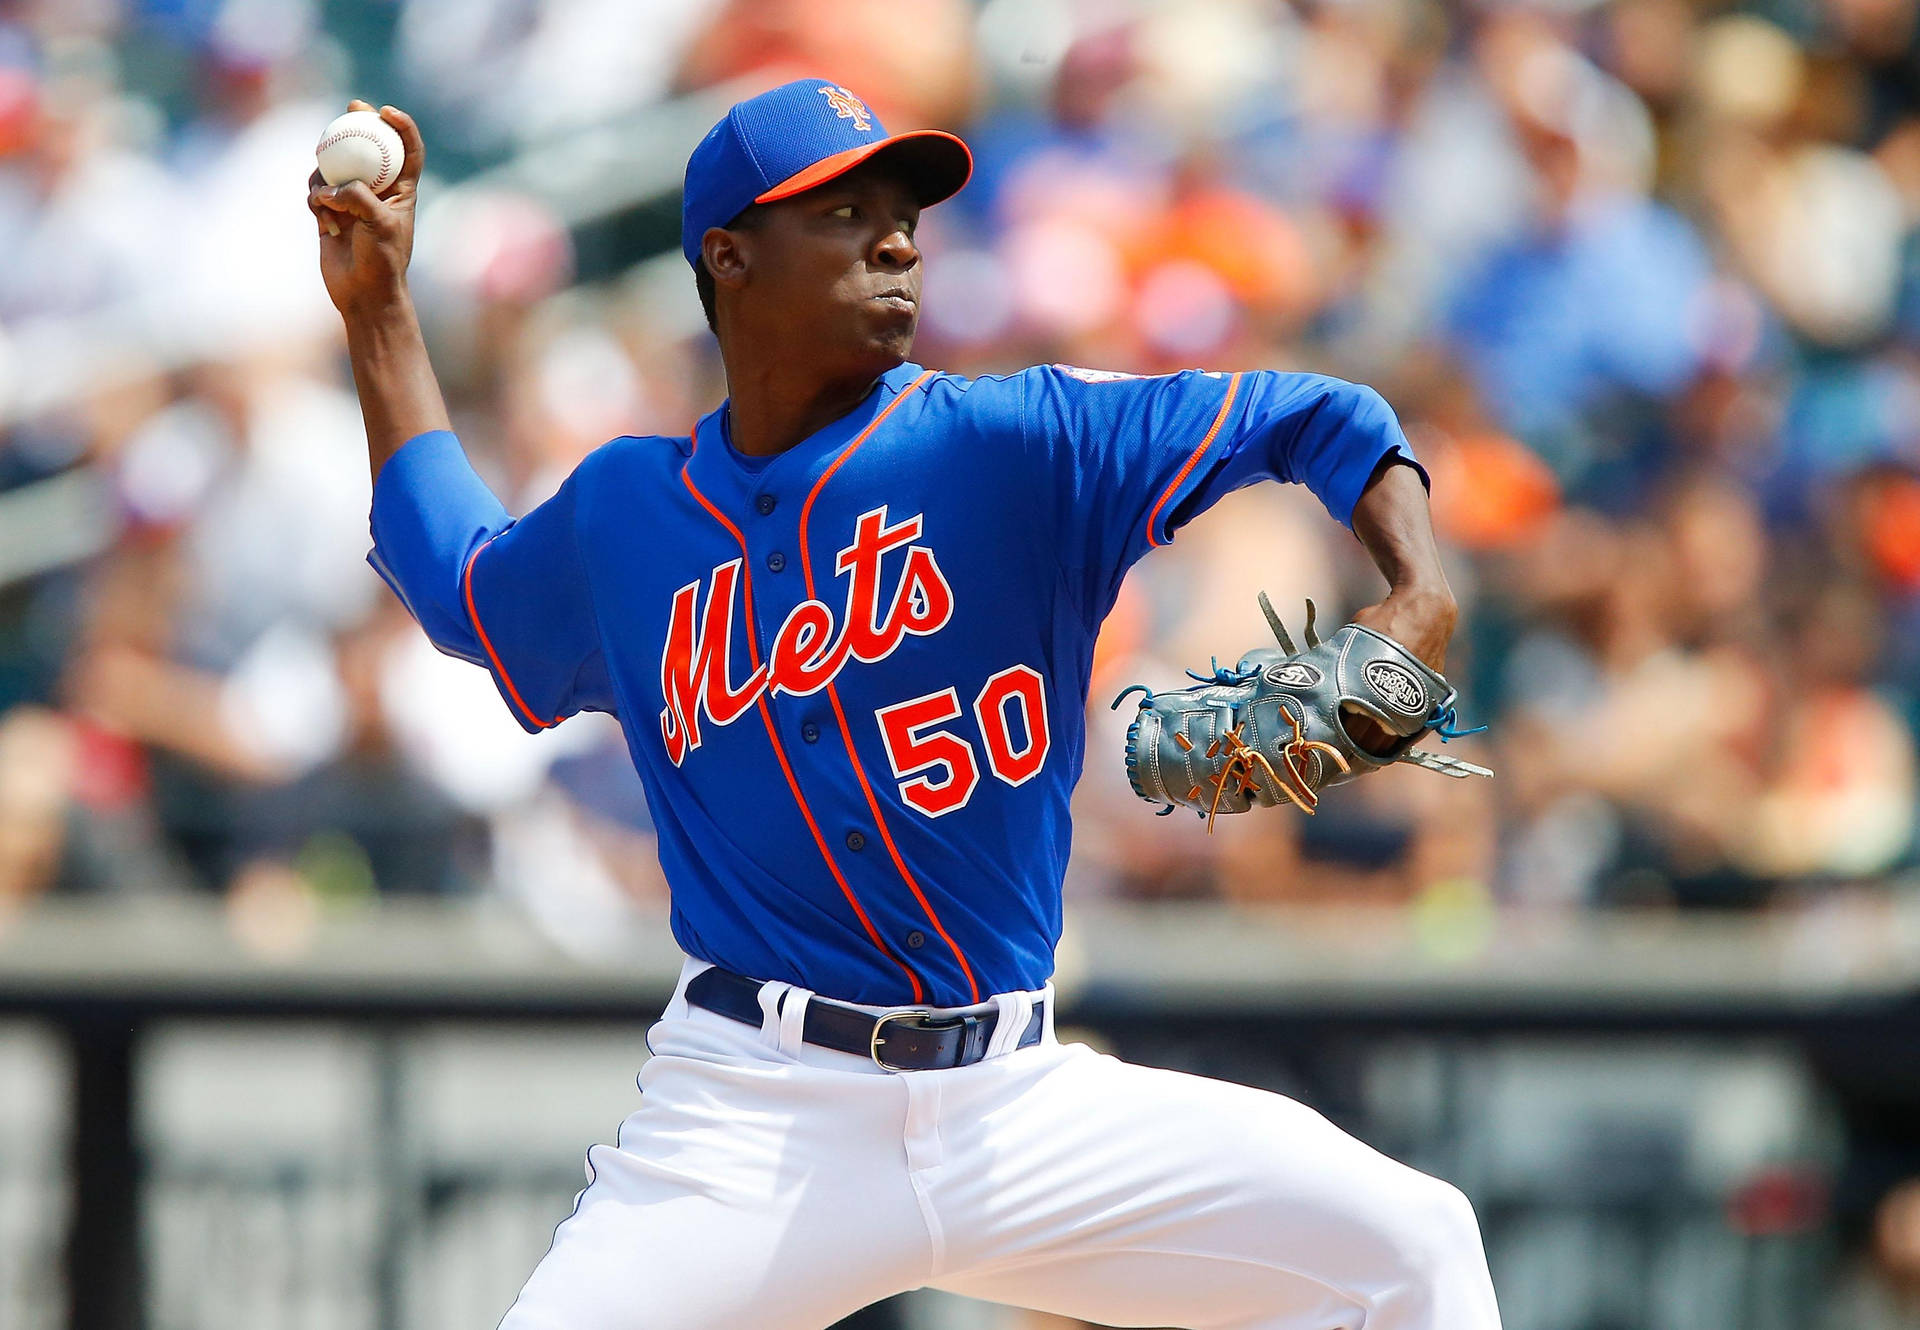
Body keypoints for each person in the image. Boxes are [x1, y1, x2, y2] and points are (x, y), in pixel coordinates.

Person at [309, 80, 1501, 1330]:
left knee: (1415, 1244)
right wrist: (382, 308)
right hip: (753, 1121)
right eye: (848, 212)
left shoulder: (1015, 442)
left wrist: (1417, 592)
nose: (899, 240)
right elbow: (457, 580)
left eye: (908, 217)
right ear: (728, 258)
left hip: (1017, 1109)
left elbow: (1321, 417)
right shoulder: (625, 517)